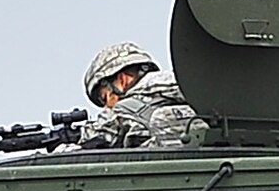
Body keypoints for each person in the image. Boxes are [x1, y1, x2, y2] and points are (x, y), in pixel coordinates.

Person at [78, 42, 206, 149]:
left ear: (122, 80)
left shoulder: (127, 108)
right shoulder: (184, 84)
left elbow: (98, 137)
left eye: (105, 98)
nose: (107, 107)